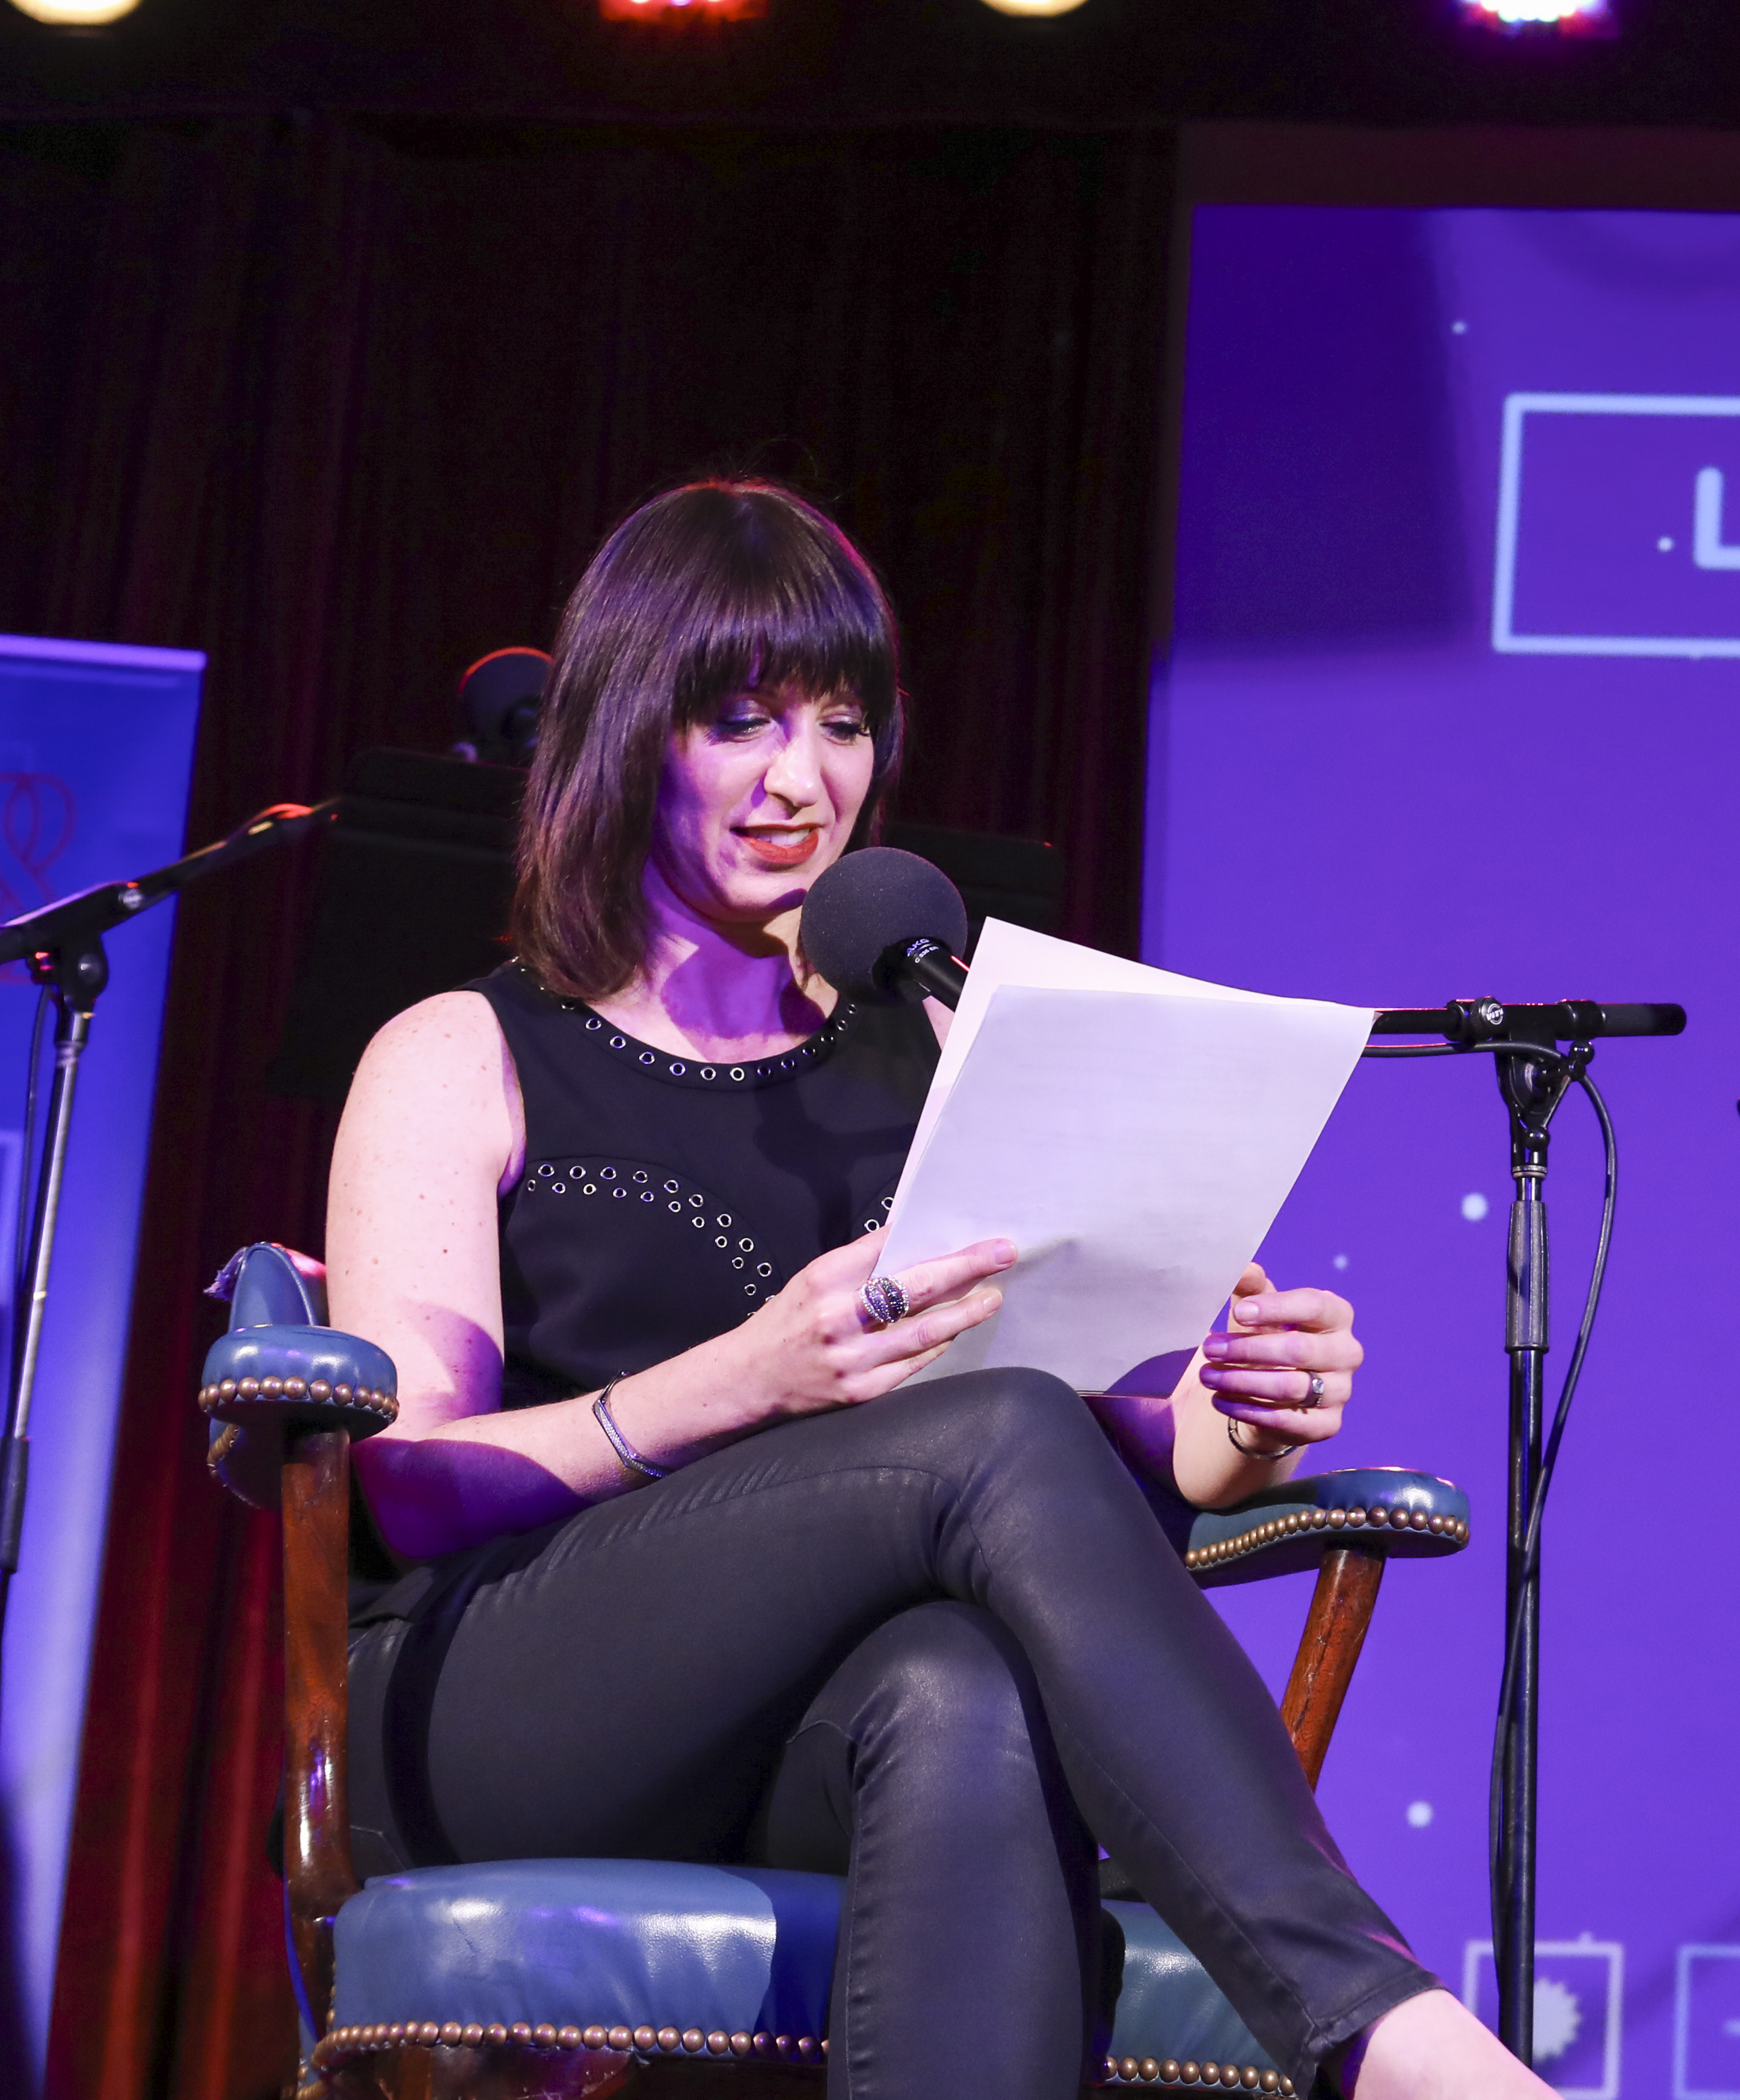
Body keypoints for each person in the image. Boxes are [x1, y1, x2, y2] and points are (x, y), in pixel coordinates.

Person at [327, 479, 1549, 2100]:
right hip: (507, 1702)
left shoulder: (928, 1057)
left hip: (797, 1722)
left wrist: (1235, 1421)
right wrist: (745, 1377)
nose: (802, 782)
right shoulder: (463, 1051)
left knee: (963, 1688)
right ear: (629, 737)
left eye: (843, 725)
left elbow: (1079, 1452)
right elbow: (407, 1482)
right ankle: (1385, 2032)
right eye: (743, 722)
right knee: (982, 1441)